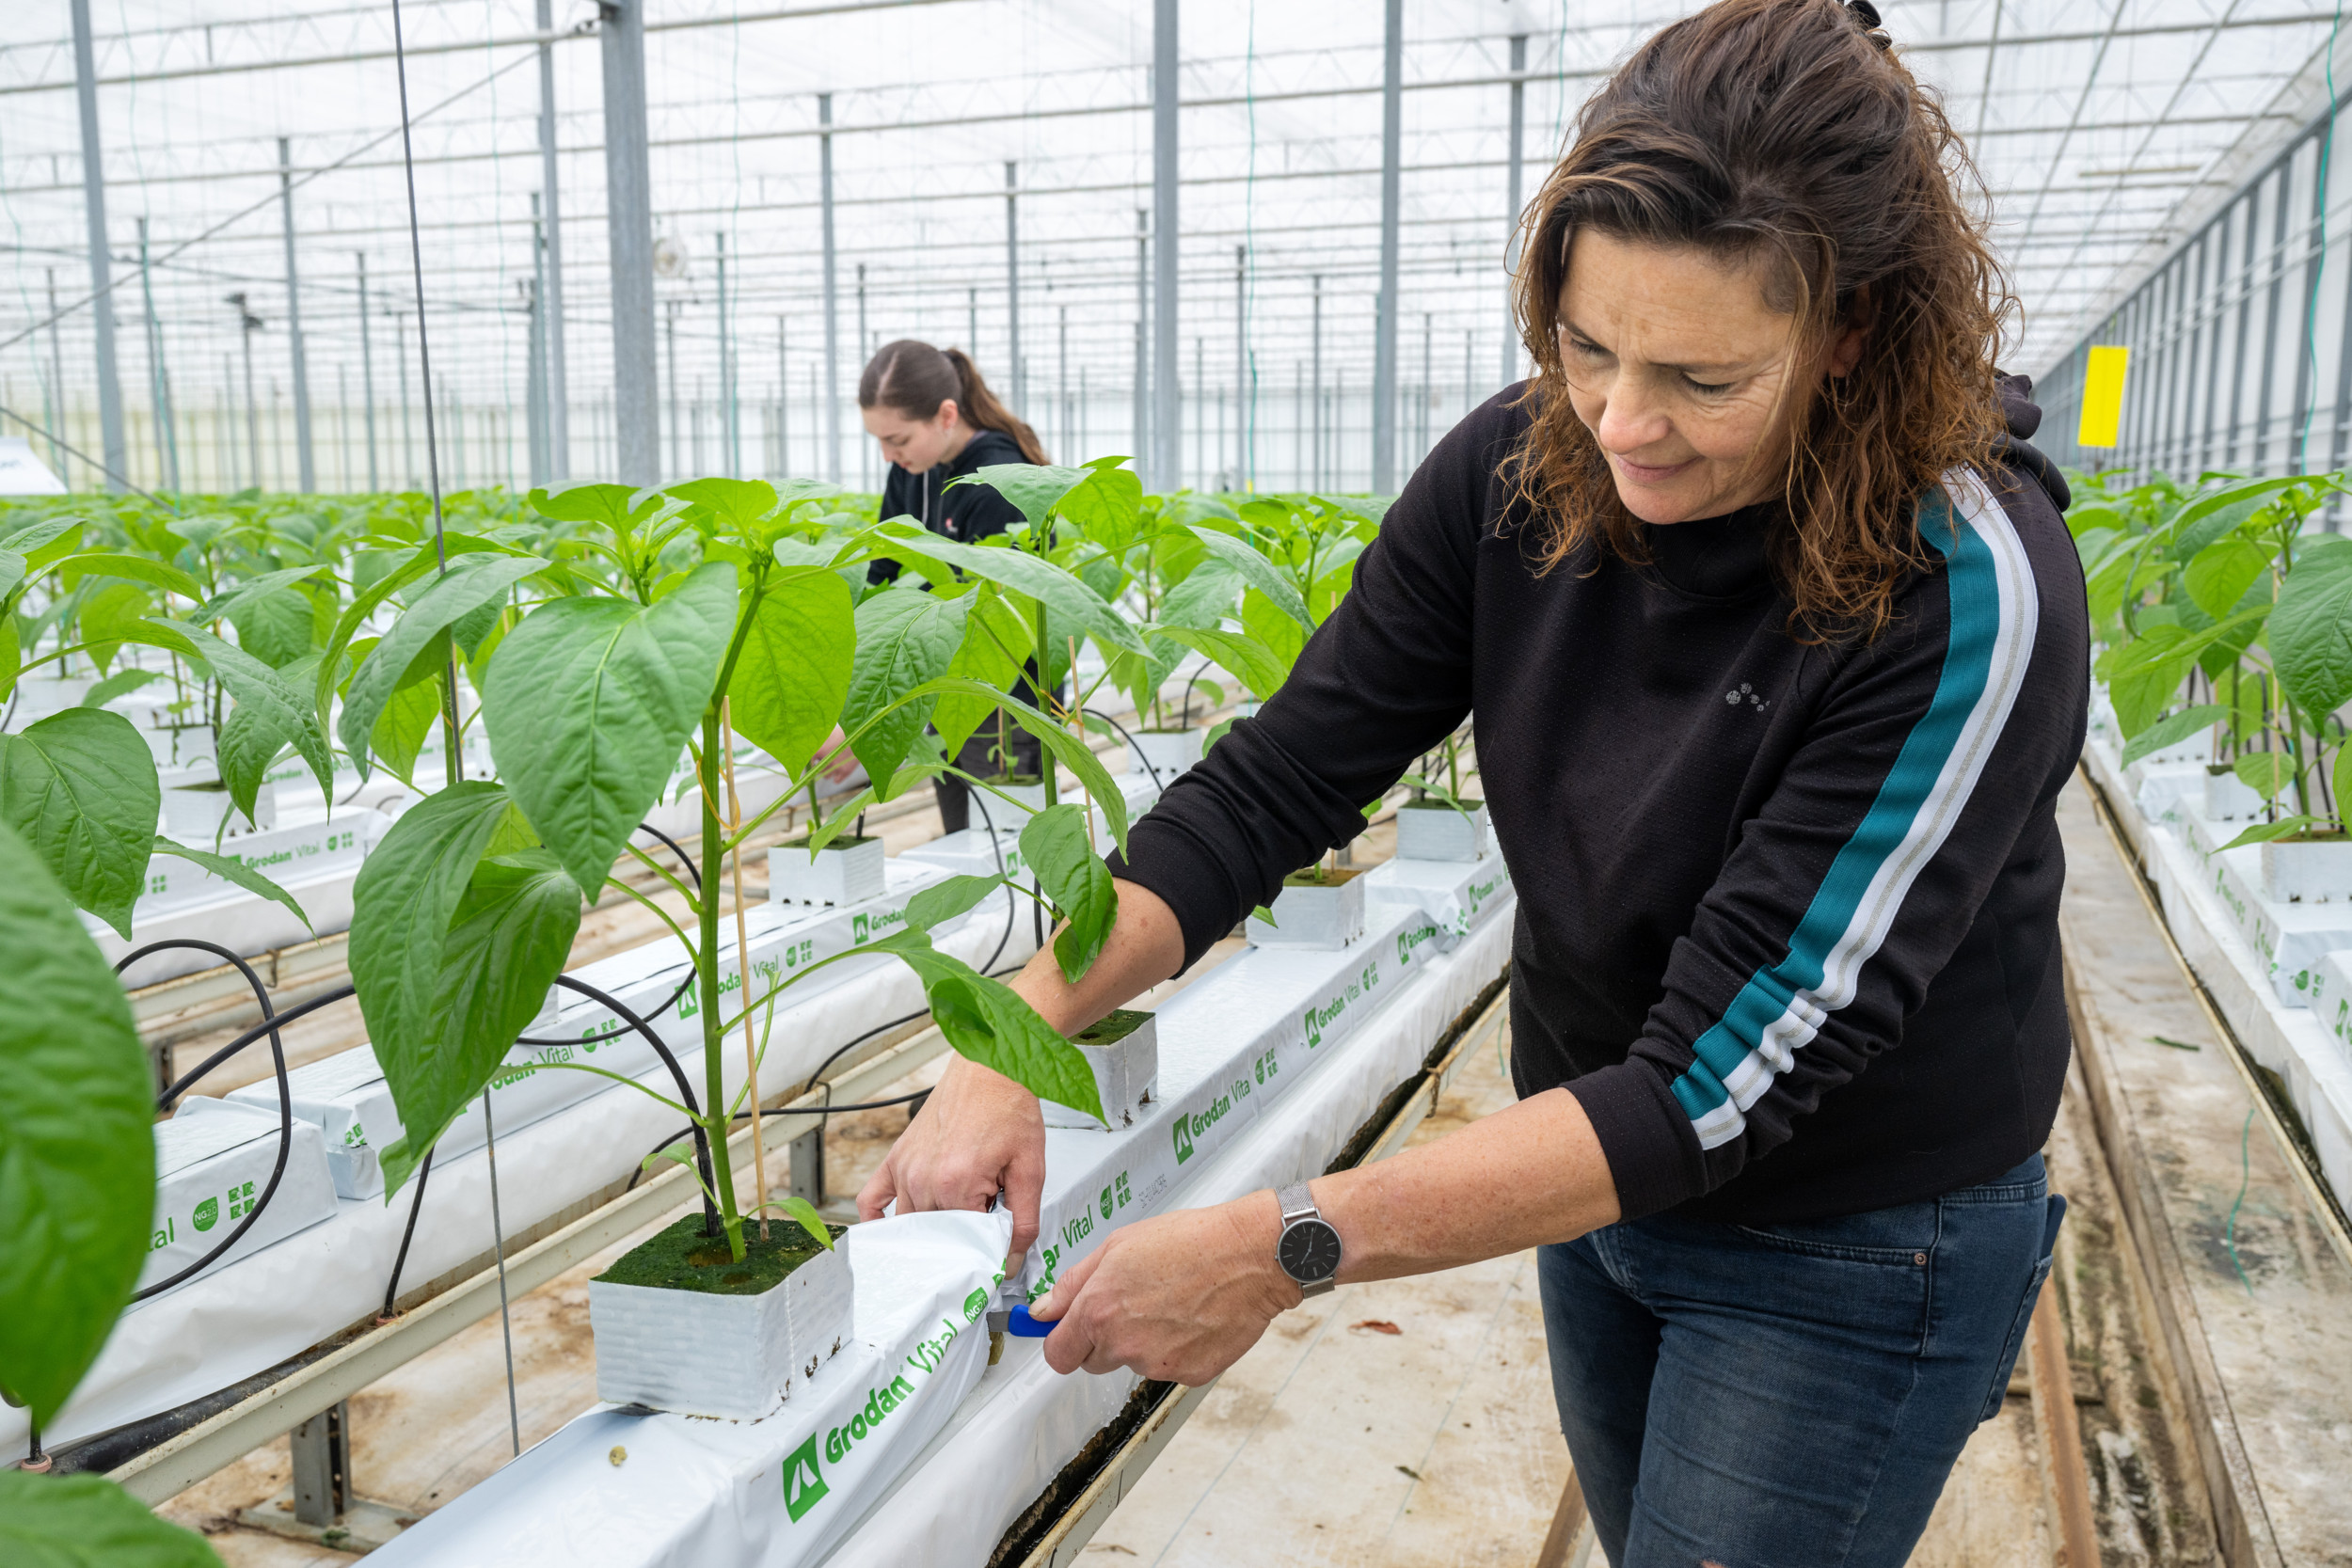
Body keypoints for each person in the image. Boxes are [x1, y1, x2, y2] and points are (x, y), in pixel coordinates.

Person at [861, 2, 2087, 1562]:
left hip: (1847, 1240)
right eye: (1587, 345)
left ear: (1852, 334)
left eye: (1705, 380)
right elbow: (1276, 782)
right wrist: (1010, 1033)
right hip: (1591, 1175)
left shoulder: (1962, 589)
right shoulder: (1522, 465)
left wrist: (1281, 1241)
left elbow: (1721, 1085)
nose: (1620, 422)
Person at [859, 340, 1057, 833]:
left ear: (946, 415)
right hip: (941, 683)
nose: (888, 454)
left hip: (1006, 699)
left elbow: (1000, 613)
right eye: (880, 441)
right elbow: (884, 566)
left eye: (898, 439)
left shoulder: (1001, 479)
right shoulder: (910, 471)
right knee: (965, 838)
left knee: (1010, 849)